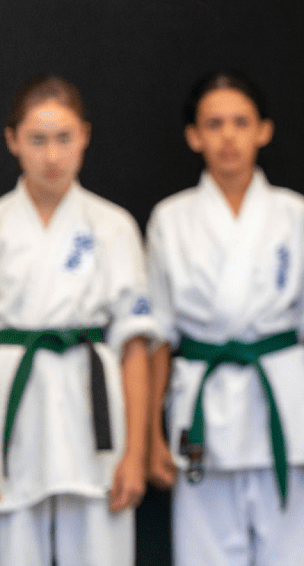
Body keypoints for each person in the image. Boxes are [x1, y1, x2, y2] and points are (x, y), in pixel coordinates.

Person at [146, 71, 304, 566]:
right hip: (200, 412)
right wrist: (151, 435)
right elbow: (159, 339)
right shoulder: (170, 219)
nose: (228, 136)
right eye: (214, 124)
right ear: (194, 136)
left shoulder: (295, 215)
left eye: (240, 122)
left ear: (264, 130)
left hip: (285, 405)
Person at [0, 75, 154, 566]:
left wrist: (134, 453)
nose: (52, 156)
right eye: (37, 139)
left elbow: (135, 346)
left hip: (92, 411)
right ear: (12, 140)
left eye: (64, 138)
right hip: (12, 406)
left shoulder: (113, 225)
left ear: (85, 136)